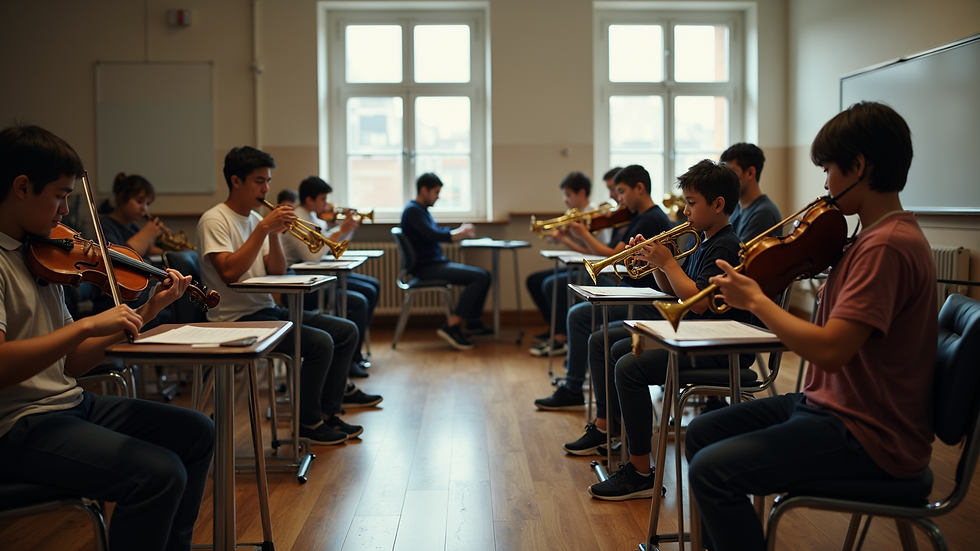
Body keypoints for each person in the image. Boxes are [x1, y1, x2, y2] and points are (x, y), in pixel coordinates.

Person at [685, 102, 936, 551]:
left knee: (712, 471)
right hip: (830, 405)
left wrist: (757, 300)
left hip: (865, 433)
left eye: (828, 170)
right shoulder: (865, 239)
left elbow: (830, 351)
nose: (824, 184)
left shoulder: (887, 247)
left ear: (859, 167)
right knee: (703, 432)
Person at [0, 124, 214, 551]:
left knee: (197, 431)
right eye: (60, 195)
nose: (65, 213)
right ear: (22, 187)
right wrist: (84, 324)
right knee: (160, 475)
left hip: (71, 403)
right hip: (19, 425)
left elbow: (73, 364)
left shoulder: (40, 255)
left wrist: (149, 308)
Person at [585, 159, 755, 499]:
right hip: (697, 337)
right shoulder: (705, 239)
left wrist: (666, 262)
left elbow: (700, 302)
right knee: (619, 350)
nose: (686, 211)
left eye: (692, 203)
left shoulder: (725, 244)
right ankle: (632, 453)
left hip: (719, 347)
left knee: (628, 366)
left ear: (718, 204)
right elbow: (674, 292)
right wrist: (657, 264)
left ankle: (641, 471)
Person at [198, 146, 377, 446]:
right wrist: (262, 230)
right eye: (259, 181)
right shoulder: (215, 220)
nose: (266, 188)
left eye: (267, 180)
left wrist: (273, 234)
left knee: (346, 331)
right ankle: (308, 422)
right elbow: (229, 273)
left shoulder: (255, 219)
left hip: (265, 309)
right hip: (236, 318)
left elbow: (278, 274)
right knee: (321, 343)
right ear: (236, 181)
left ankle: (328, 412)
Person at [534, 165, 671, 412]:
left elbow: (613, 255)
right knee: (580, 313)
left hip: (645, 301)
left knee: (578, 315)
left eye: (621, 191)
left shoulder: (650, 219)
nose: (618, 198)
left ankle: (575, 388)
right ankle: (580, 388)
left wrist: (583, 234)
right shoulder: (641, 217)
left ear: (639, 189)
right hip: (634, 292)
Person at [282, 176, 381, 379]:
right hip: (299, 283)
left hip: (317, 277)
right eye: (322, 199)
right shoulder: (298, 220)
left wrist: (347, 229)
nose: (326, 204)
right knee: (360, 300)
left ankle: (354, 354)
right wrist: (340, 230)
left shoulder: (314, 218)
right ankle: (350, 359)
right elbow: (312, 256)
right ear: (309, 200)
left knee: (372, 287)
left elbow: (334, 250)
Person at [400, 172, 492, 351]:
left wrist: (457, 232)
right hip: (427, 268)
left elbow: (433, 231)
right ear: (424, 190)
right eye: (436, 192)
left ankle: (473, 323)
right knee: (479, 277)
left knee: (485, 275)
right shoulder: (413, 211)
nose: (438, 197)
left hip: (434, 264)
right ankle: (451, 325)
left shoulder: (420, 211)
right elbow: (432, 234)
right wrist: (458, 233)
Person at [526, 171, 598, 357]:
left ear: (581, 193)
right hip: (575, 265)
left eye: (568, 195)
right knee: (533, 280)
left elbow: (597, 252)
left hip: (589, 270)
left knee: (550, 284)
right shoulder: (574, 215)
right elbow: (559, 241)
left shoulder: (595, 216)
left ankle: (560, 337)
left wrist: (567, 241)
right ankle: (554, 327)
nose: (565, 200)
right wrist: (559, 236)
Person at [87, 173, 167, 320]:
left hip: (139, 289)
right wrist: (147, 234)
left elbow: (149, 250)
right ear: (121, 197)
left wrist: (176, 251)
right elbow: (121, 258)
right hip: (117, 294)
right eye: (139, 201)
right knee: (166, 311)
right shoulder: (104, 223)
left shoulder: (132, 228)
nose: (144, 208)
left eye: (148, 204)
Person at [720, 143, 783, 241]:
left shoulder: (764, 213)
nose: (724, 180)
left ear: (750, 173)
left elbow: (737, 255)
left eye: (731, 173)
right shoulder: (736, 206)